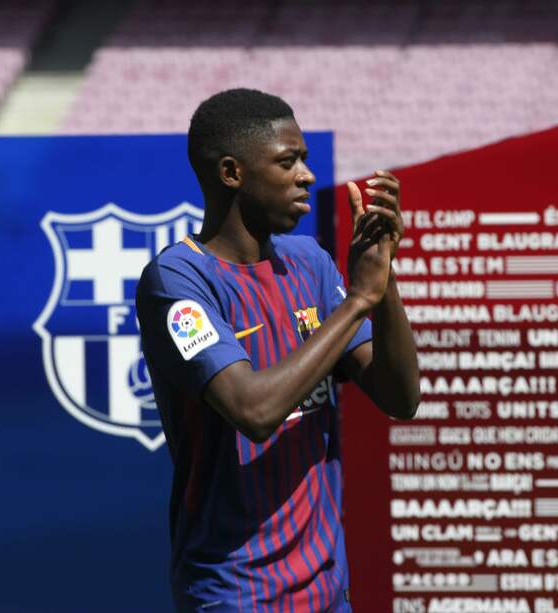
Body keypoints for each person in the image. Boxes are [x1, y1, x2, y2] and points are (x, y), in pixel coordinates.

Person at [135, 88, 420, 613]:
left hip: (327, 587)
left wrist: (383, 283)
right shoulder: (178, 280)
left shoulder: (307, 261)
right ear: (231, 173)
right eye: (288, 161)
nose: (307, 175)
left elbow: (400, 398)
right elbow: (255, 410)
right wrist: (359, 300)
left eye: (305, 160)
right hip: (235, 592)